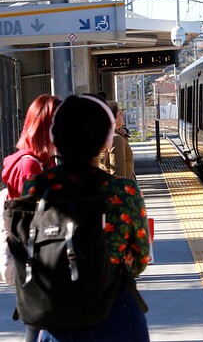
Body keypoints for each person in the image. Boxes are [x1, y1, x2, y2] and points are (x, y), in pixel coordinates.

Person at [21, 94, 151, 342]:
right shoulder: (123, 193)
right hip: (116, 314)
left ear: (54, 137)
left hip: (55, 313)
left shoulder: (36, 188)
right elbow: (140, 261)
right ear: (106, 141)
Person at [1, 94, 60, 342]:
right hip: (35, 260)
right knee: (39, 325)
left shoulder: (37, 161)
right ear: (47, 126)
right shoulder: (30, 166)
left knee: (39, 325)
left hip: (37, 258)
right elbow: (37, 219)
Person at [101, 100, 136, 181]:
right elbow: (118, 174)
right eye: (120, 113)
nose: (122, 116)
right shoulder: (116, 139)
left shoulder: (106, 135)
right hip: (121, 189)